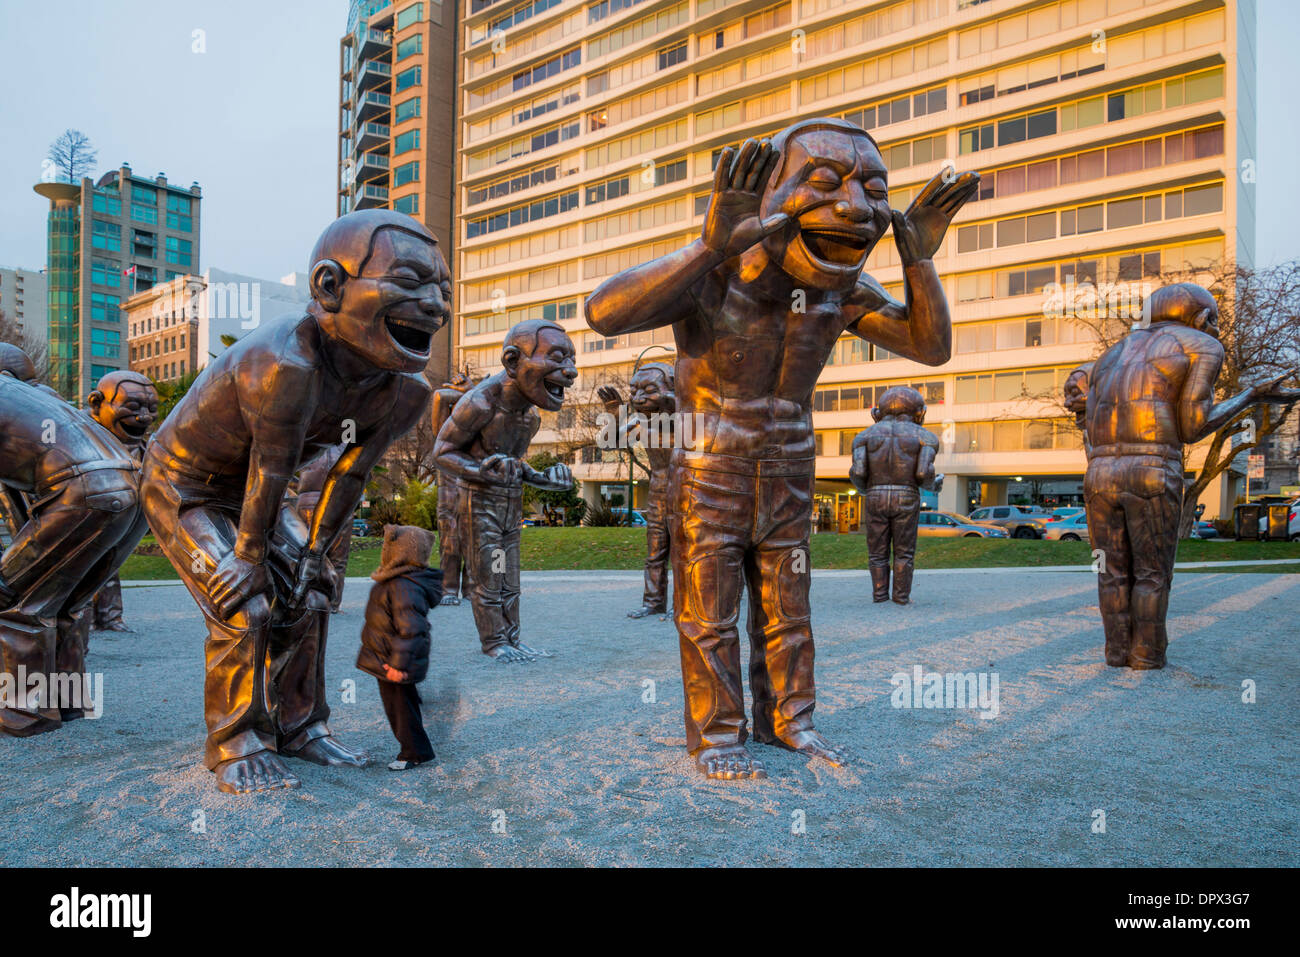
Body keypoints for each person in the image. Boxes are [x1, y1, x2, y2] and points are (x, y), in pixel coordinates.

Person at [586, 121, 977, 779]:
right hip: (712, 464)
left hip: (790, 466)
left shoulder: (839, 288)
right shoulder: (714, 274)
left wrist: (919, 258)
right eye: (825, 183)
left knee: (789, 607)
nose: (855, 206)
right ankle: (717, 736)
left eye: (872, 189)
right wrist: (709, 246)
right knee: (708, 613)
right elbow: (604, 310)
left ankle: (791, 721)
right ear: (770, 196)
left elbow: (929, 345)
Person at [140, 208, 450, 793]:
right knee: (245, 601)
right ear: (330, 287)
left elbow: (349, 473)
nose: (433, 303)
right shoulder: (288, 361)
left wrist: (316, 557)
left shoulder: (405, 389)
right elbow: (271, 464)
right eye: (409, 283)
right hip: (184, 486)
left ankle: (302, 725)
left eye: (441, 289)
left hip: (259, 493)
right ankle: (236, 740)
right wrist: (248, 557)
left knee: (309, 597)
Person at [1083, 282, 1298, 668]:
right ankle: (1146, 656)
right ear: (1201, 317)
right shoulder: (1199, 345)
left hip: (1098, 474)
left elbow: (1089, 426)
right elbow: (1192, 425)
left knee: (1110, 571)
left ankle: (1115, 652)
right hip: (1151, 467)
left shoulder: (1107, 357)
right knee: (1152, 573)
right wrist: (1251, 395)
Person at [433, 319, 577, 663]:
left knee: (509, 578)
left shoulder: (530, 417)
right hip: (478, 503)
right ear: (512, 362)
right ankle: (494, 642)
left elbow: (516, 467)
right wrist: (478, 471)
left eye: (571, 360)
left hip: (510, 505)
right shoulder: (479, 403)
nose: (570, 372)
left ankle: (512, 639)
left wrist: (546, 478)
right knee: (491, 576)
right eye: (557, 358)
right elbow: (442, 452)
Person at [356, 524, 443, 769]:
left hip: (394, 661)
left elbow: (412, 629)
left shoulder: (404, 586)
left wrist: (398, 664)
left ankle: (413, 753)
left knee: (400, 708)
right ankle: (415, 748)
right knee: (400, 703)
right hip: (388, 656)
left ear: (401, 552)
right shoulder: (396, 581)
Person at [597, 361, 676, 618]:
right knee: (655, 550)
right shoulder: (641, 422)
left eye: (649, 390)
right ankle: (653, 603)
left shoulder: (690, 418)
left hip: (691, 490)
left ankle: (689, 604)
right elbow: (608, 443)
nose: (639, 398)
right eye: (634, 391)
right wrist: (614, 414)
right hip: (658, 490)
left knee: (688, 551)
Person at [849, 386, 941, 605]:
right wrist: (934, 485)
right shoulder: (925, 437)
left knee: (876, 552)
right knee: (904, 552)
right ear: (921, 413)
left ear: (876, 413)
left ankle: (879, 595)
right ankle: (901, 597)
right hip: (907, 496)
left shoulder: (863, 437)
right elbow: (923, 473)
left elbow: (859, 472)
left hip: (874, 496)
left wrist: (865, 490)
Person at [83, 370, 158, 632]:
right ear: (96, 404)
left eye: (152, 408)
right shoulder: (80, 436)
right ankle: (84, 617)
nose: (145, 417)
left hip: (125, 518)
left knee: (109, 566)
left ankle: (111, 616)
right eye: (133, 407)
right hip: (86, 516)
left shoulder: (147, 447)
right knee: (82, 567)